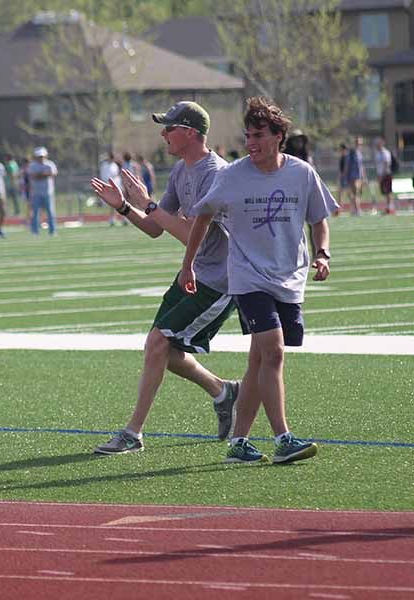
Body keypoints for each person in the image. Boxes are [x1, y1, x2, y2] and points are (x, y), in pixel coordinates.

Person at [179, 96, 337, 465]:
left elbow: (319, 219)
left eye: (259, 135)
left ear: (279, 136)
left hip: (289, 278)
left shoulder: (301, 173)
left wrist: (322, 254)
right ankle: (284, 438)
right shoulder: (232, 175)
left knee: (257, 362)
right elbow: (202, 217)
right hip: (248, 278)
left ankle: (239, 444)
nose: (251, 142)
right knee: (274, 351)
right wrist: (188, 266)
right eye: (248, 135)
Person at [89, 101, 240, 455]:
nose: (163, 134)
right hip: (193, 273)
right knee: (159, 348)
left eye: (169, 128)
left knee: (158, 344)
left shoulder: (214, 172)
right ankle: (224, 391)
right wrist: (125, 207)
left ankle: (133, 432)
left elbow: (193, 235)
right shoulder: (180, 171)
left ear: (190, 133)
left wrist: (150, 204)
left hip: (219, 280)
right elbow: (157, 228)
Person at [27, 146, 58, 236]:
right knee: (35, 213)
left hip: (48, 192)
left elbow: (53, 173)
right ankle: (35, 231)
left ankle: (52, 231)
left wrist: (42, 175)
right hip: (36, 193)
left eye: (42, 156)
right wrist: (44, 174)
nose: (41, 158)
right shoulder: (32, 165)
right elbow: (33, 176)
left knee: (51, 212)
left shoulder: (49, 164)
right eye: (39, 156)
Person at [99, 150, 125, 226]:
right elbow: (103, 176)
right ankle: (112, 218)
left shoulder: (115, 165)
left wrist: (120, 186)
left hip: (116, 187)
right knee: (111, 204)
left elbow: (117, 177)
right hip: (108, 186)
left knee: (120, 203)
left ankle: (122, 219)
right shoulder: (104, 165)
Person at [343, 136, 365, 215]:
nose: (359, 145)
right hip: (352, 176)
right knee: (355, 193)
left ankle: (353, 209)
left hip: (359, 177)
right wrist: (346, 176)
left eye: (360, 143)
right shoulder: (351, 153)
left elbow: (361, 166)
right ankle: (357, 210)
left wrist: (363, 177)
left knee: (357, 193)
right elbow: (347, 165)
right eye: (358, 143)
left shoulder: (359, 153)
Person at [373, 138, 396, 214]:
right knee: (384, 192)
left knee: (388, 191)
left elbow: (386, 164)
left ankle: (390, 208)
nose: (377, 145)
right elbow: (377, 165)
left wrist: (382, 175)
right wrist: (378, 175)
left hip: (386, 174)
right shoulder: (377, 153)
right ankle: (388, 207)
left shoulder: (385, 152)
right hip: (380, 175)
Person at [337, 143, 348, 211]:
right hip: (342, 177)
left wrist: (343, 175)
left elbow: (346, 168)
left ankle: (354, 207)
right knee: (340, 193)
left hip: (345, 178)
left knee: (348, 193)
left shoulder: (346, 157)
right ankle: (340, 208)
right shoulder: (341, 157)